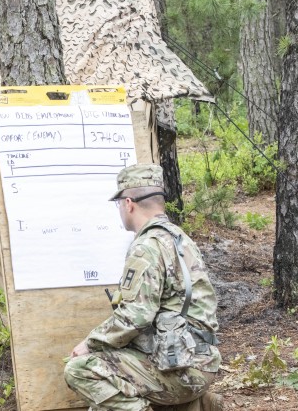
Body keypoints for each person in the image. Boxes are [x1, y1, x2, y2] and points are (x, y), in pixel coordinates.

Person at [64, 164, 223, 411]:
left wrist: (90, 343)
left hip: (182, 371)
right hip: (202, 362)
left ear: (128, 203)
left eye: (118, 204)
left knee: (81, 369)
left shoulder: (146, 247)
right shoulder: (179, 238)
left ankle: (182, 402)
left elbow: (135, 316)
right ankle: (196, 404)